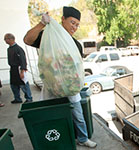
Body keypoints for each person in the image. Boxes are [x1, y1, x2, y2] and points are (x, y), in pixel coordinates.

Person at [23, 6, 97, 148]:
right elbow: (27, 39)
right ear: (63, 19)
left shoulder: (75, 44)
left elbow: (78, 67)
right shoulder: (48, 37)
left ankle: (83, 138)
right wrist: (42, 24)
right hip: (52, 85)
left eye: (77, 25)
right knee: (49, 114)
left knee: (78, 115)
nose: (74, 27)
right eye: (72, 22)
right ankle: (53, 141)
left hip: (71, 86)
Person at [4, 33, 33, 104]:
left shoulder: (18, 49)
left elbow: (23, 60)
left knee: (23, 84)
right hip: (13, 69)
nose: (5, 41)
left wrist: (22, 71)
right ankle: (17, 98)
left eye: (6, 39)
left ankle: (29, 98)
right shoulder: (9, 49)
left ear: (10, 39)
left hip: (19, 68)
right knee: (13, 85)